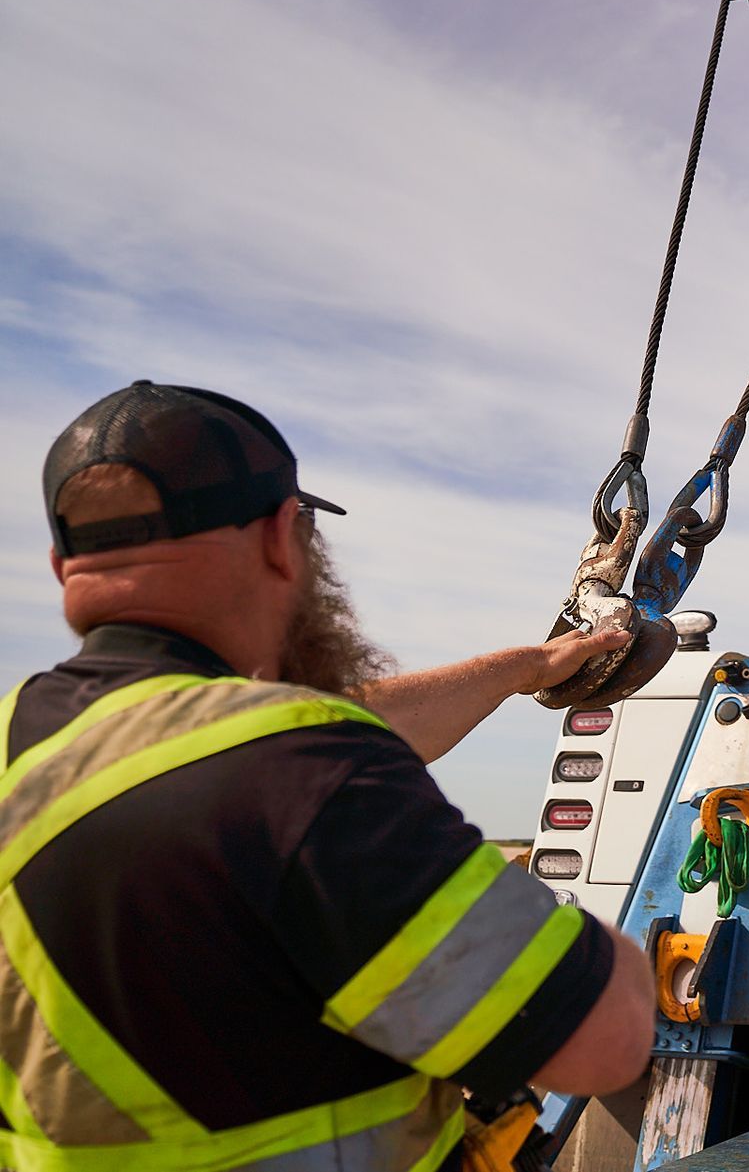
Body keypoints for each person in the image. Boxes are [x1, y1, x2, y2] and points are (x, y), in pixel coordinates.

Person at [0, 381, 655, 1170]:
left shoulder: (31, 742)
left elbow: (237, 744)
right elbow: (607, 1040)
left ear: (64, 564)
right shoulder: (300, 776)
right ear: (283, 538)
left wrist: (530, 666)